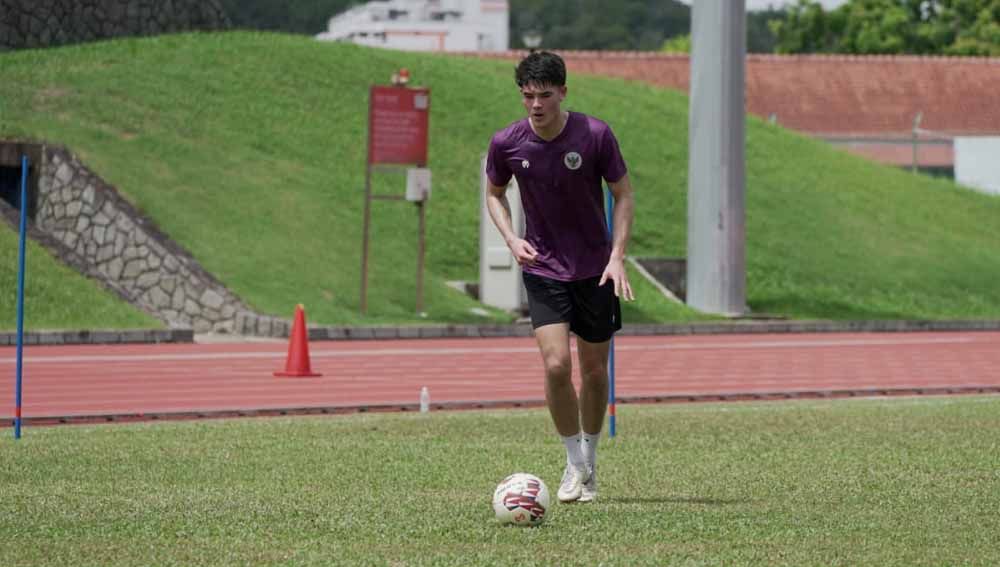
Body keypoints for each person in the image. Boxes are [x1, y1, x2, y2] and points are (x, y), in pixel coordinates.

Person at [484, 50, 635, 503]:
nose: (535, 105)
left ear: (563, 92)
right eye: (528, 95)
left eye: (544, 95)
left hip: (595, 269)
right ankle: (572, 462)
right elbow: (494, 193)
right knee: (555, 365)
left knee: (593, 370)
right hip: (544, 267)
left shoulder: (594, 135)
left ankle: (590, 456)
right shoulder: (507, 143)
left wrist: (617, 256)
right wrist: (511, 239)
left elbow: (623, 194)